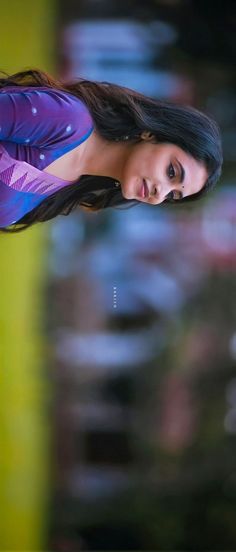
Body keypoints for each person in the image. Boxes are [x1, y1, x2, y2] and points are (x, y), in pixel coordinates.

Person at [0, 68, 223, 233]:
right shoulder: (68, 120)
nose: (160, 194)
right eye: (171, 172)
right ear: (153, 134)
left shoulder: (70, 190)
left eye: (172, 195)